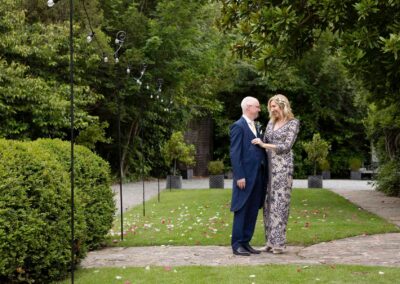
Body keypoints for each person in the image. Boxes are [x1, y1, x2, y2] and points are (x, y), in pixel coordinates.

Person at [251, 94, 300, 254]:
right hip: (269, 168)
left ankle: (279, 244)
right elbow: (262, 139)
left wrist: (264, 144)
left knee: (280, 204)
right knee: (268, 205)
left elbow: (286, 146)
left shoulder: (293, 123)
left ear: (283, 106)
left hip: (283, 168)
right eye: (270, 106)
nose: (272, 109)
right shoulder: (271, 122)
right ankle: (269, 243)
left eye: (274, 106)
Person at [230, 96, 267, 256]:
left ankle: (245, 242)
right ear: (248, 107)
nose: (259, 109)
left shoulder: (255, 126)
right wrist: (239, 176)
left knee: (252, 209)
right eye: (257, 107)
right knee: (242, 208)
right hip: (244, 176)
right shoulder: (238, 126)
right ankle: (237, 244)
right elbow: (235, 153)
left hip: (258, 175)